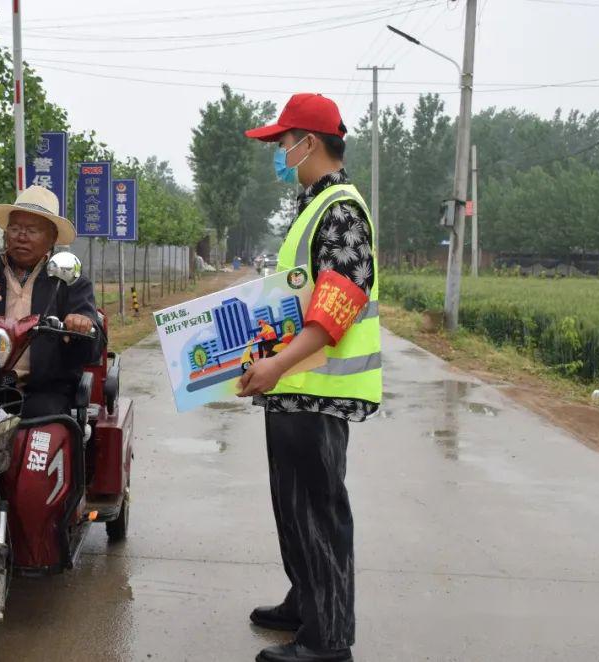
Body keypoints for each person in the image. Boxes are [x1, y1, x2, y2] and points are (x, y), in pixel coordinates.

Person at [238, 93, 382, 662]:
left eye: (282, 143)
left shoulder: (340, 209)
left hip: (318, 390)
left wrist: (276, 364)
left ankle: (327, 641)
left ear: (310, 143)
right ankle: (305, 601)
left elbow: (337, 306)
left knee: (319, 514)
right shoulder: (314, 204)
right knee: (292, 506)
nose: (279, 153)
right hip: (296, 388)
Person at [0, 185, 104, 417]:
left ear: (52, 238)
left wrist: (82, 324)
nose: (21, 236)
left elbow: (93, 345)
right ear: (5, 232)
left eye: (32, 230)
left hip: (45, 391)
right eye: (15, 228)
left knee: (44, 433)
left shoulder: (68, 277)